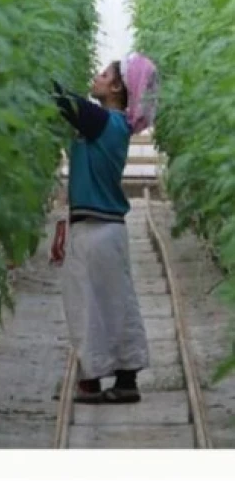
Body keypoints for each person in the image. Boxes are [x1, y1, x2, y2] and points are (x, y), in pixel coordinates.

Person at [50, 53, 159, 404]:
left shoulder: (107, 122)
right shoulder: (105, 123)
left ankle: (121, 382)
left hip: (100, 230)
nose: (94, 77)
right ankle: (100, 381)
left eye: (102, 74)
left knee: (102, 305)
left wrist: (30, 65)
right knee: (102, 304)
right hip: (96, 228)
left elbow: (63, 100)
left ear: (115, 87)